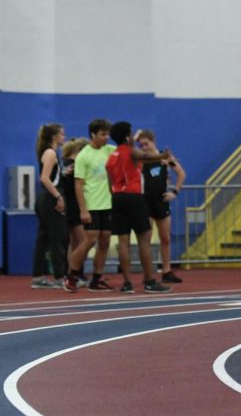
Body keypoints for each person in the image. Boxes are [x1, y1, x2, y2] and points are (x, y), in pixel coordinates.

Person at [106, 122, 174, 294]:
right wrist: (163, 155)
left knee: (123, 242)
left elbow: (110, 184)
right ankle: (150, 281)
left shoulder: (111, 157)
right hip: (134, 197)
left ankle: (127, 283)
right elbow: (146, 156)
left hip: (116, 197)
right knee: (144, 239)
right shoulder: (130, 151)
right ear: (127, 136)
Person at [64, 119, 116, 293]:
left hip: (107, 204)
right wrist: (83, 210)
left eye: (108, 134)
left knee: (105, 240)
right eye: (103, 134)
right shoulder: (83, 156)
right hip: (92, 204)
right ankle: (71, 275)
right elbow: (78, 184)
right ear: (93, 134)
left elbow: (128, 152)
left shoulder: (109, 150)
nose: (106, 137)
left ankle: (97, 278)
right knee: (89, 240)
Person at [137, 129, 186, 283]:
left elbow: (181, 174)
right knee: (147, 239)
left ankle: (166, 270)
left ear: (153, 142)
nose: (144, 147)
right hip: (146, 202)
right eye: (141, 145)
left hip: (161, 201)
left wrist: (174, 192)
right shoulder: (142, 160)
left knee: (165, 238)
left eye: (146, 144)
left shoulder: (165, 158)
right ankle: (149, 273)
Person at [31, 124, 67, 289]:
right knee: (56, 238)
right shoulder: (51, 153)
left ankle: (38, 276)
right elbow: (44, 178)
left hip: (46, 197)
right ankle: (60, 276)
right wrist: (58, 196)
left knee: (43, 238)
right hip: (50, 197)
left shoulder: (49, 153)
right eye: (62, 134)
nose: (64, 137)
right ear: (54, 136)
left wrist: (63, 172)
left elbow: (52, 176)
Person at [60, 137, 89, 287]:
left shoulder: (64, 164)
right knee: (84, 241)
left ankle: (71, 272)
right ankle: (75, 273)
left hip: (68, 207)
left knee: (74, 242)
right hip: (75, 206)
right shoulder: (75, 166)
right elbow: (79, 187)